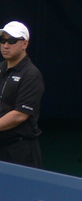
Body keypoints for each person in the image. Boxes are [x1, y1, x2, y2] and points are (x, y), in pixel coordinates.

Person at [0, 21, 44, 169]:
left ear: (24, 44)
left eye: (12, 41)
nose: (6, 45)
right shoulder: (1, 68)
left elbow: (20, 115)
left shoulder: (31, 75)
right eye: (3, 40)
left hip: (20, 149)